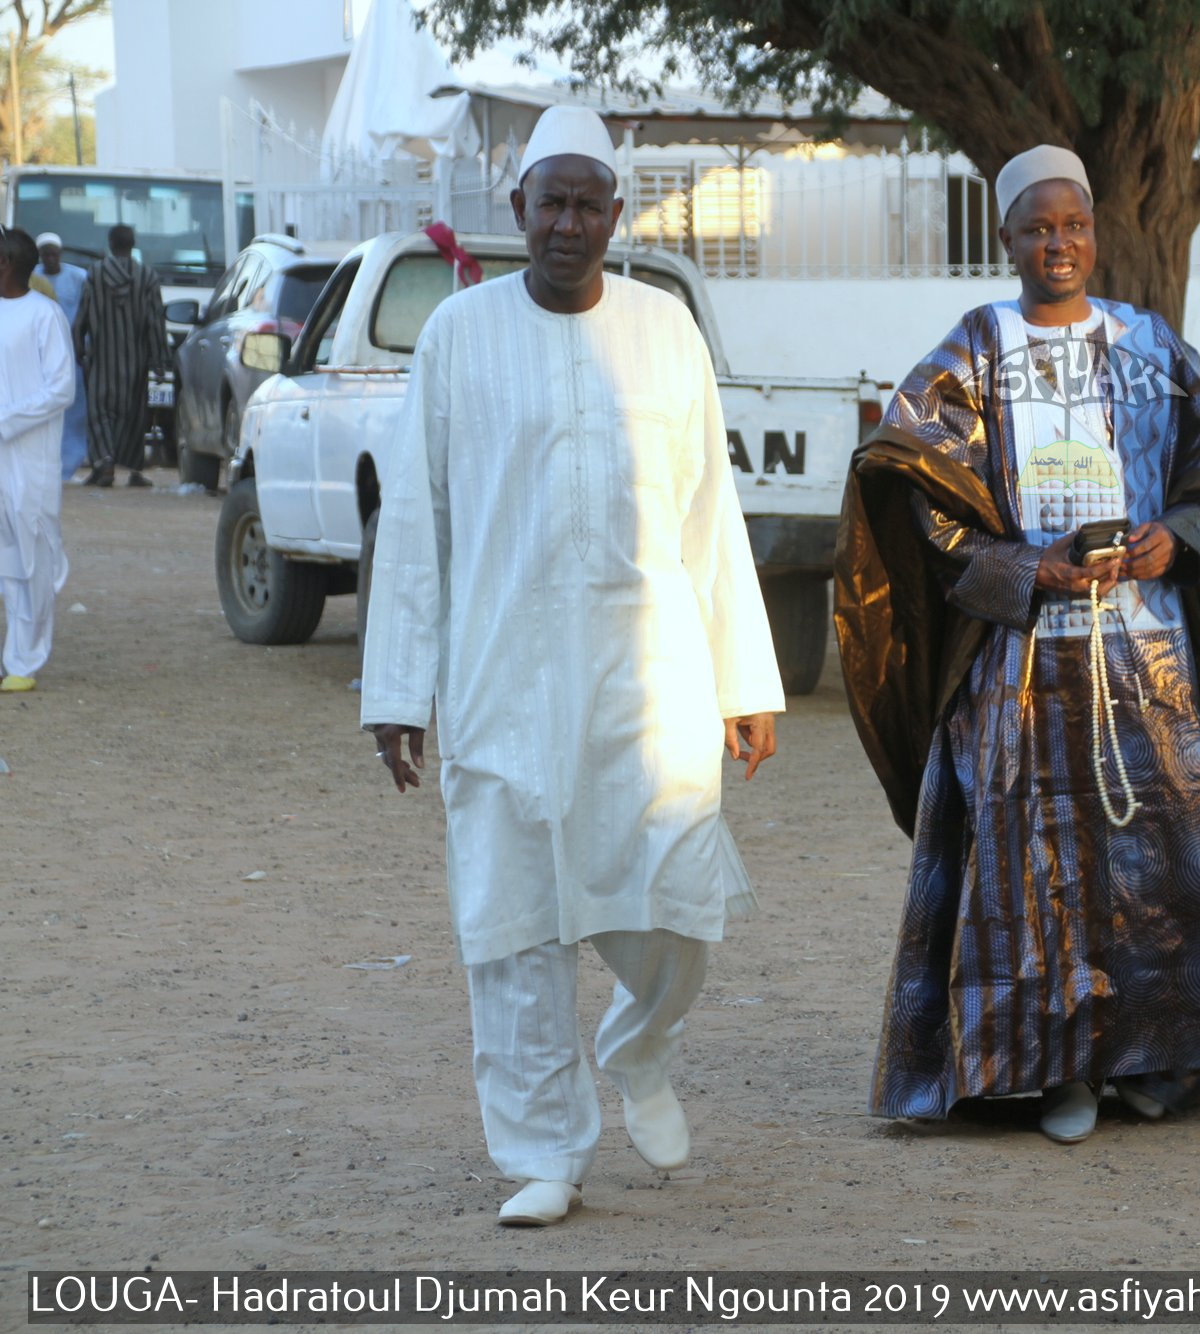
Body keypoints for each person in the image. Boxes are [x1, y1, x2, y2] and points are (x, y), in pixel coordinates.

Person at [360, 106, 784, 1227]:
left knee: (681, 903)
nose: (568, 222)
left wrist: (743, 679)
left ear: (615, 215)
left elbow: (710, 515)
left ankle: (639, 1042)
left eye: (588, 203)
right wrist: (399, 689)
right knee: (516, 924)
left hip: (650, 684)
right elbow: (416, 523)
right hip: (502, 681)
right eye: (550, 200)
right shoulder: (459, 335)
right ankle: (544, 1150)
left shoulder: (665, 330)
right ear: (518, 209)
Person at [837, 144, 1200, 1145]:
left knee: (1164, 858)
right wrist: (1027, 568)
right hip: (1023, 668)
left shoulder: (1153, 347)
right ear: (1007, 238)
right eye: (1037, 228)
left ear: (1094, 232)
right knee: (1034, 865)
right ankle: (1054, 1069)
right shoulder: (972, 353)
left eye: (1073, 225)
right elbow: (916, 498)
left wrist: (1178, 536)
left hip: (1150, 662)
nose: (1057, 244)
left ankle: (1156, 1060)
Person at [0, 227, 76, 693]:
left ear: (6, 264)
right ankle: (13, 655)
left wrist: (6, 421)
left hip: (31, 461)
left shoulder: (45, 315)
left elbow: (61, 388)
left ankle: (24, 660)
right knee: (6, 559)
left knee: (32, 557)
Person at [72, 223, 168, 489]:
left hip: (102, 359)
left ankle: (104, 463)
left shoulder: (95, 273)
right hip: (136, 360)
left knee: (100, 412)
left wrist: (78, 345)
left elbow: (83, 313)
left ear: (111, 244)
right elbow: (156, 321)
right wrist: (160, 360)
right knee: (134, 415)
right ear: (133, 244)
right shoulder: (147, 276)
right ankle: (135, 470)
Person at [35, 233, 91, 482]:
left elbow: (86, 314)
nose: (50, 258)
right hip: (38, 354)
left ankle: (69, 465)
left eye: (53, 254)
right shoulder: (32, 277)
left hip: (71, 353)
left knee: (74, 410)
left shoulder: (79, 277)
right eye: (45, 254)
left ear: (60, 254)